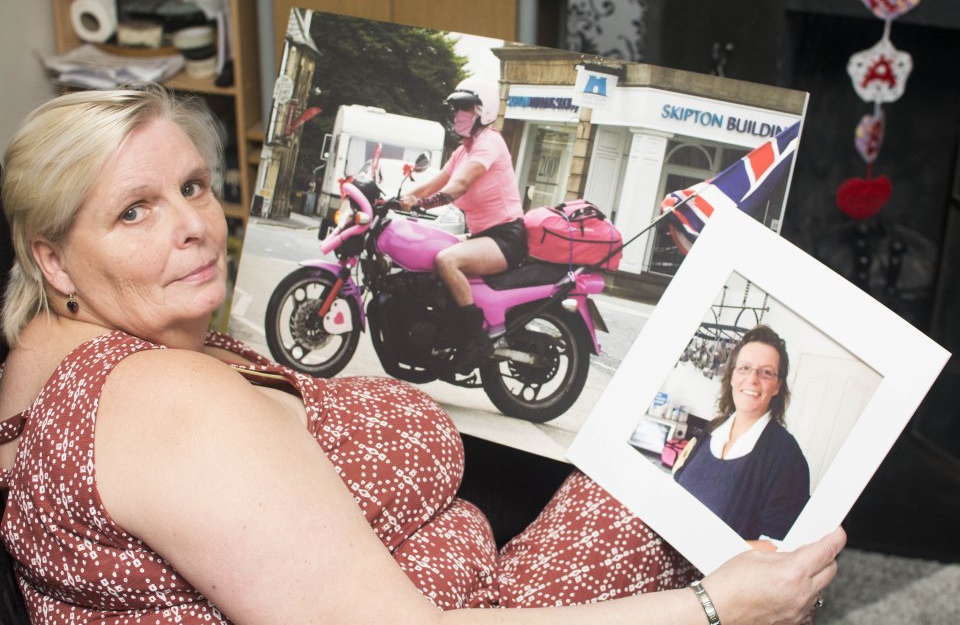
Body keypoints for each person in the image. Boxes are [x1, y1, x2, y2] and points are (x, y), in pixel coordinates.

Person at [0, 86, 842, 624]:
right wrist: (710, 605)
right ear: (52, 257)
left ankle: (480, 338)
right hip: (470, 609)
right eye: (133, 212)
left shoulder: (49, 348)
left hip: (498, 285)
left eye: (189, 186)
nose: (192, 225)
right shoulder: (164, 403)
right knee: (721, 539)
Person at [398, 76, 526, 373]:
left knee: (447, 260)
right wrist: (401, 198)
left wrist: (422, 203)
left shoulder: (489, 143)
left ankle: (476, 339)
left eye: (465, 107)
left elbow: (461, 184)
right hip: (483, 236)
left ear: (484, 111)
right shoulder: (462, 150)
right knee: (429, 261)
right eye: (455, 108)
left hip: (506, 238)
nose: (458, 114)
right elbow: (438, 181)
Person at [673, 325, 811, 549]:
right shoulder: (711, 430)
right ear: (732, 376)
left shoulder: (786, 456)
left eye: (766, 372)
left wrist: (706, 547)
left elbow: (778, 546)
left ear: (777, 386)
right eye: (744, 368)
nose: (753, 379)